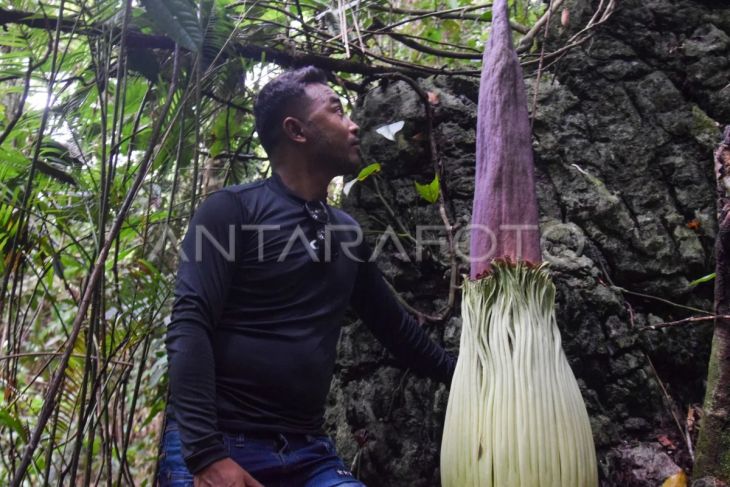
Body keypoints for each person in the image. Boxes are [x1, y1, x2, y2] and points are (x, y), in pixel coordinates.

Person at [159, 66, 455, 487]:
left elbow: (396, 331)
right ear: (296, 130)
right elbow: (189, 325)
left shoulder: (346, 233)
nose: (354, 125)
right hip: (220, 446)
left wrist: (472, 377)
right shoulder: (231, 211)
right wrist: (207, 456)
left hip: (308, 452)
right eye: (337, 112)